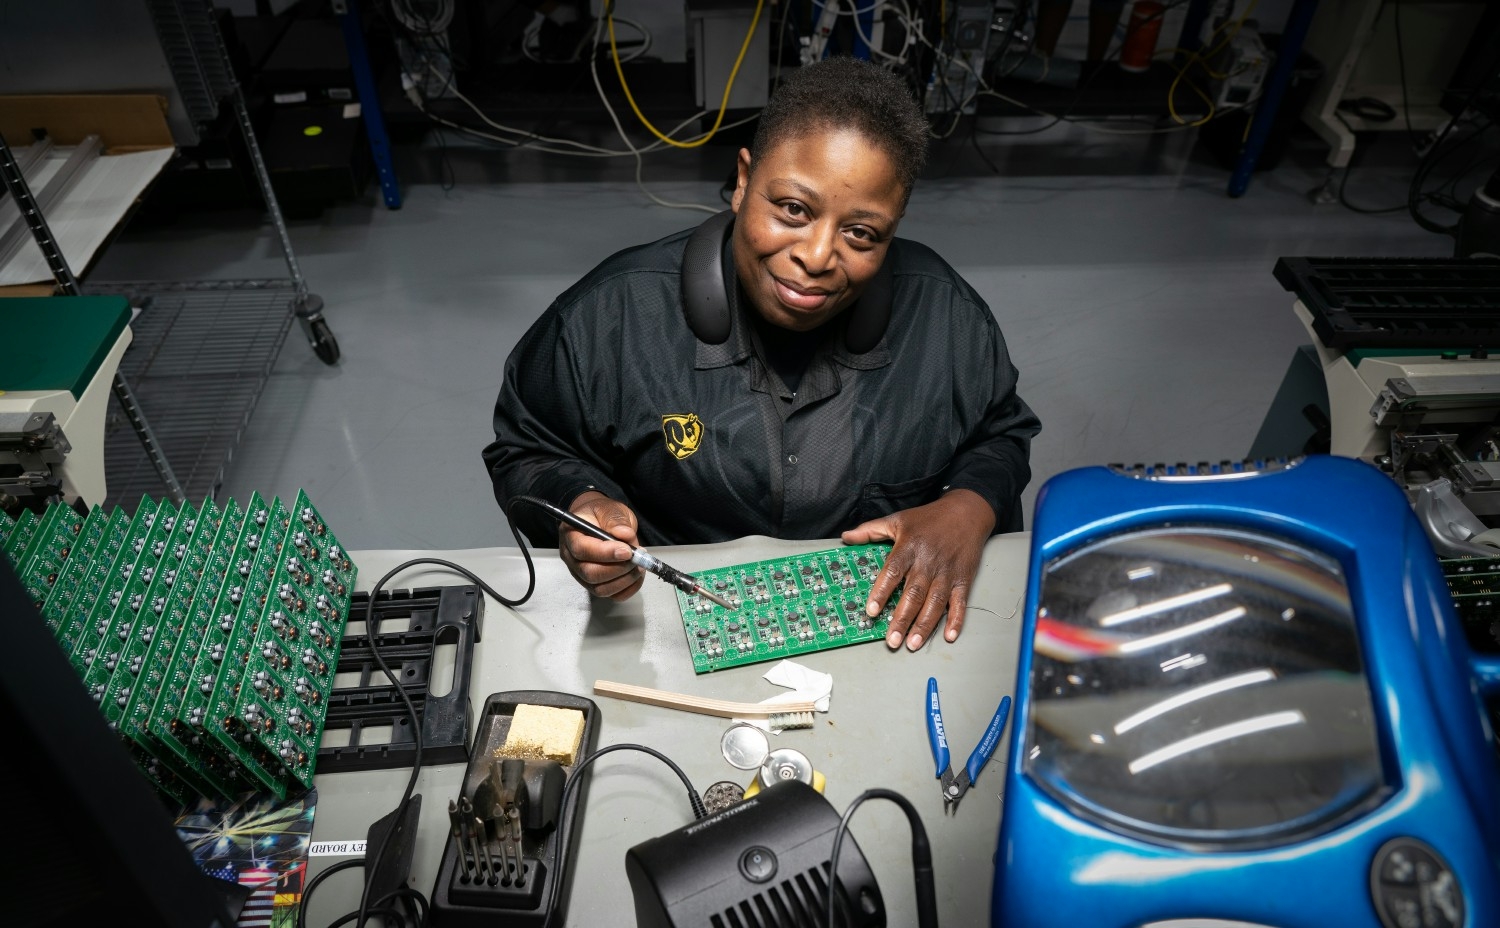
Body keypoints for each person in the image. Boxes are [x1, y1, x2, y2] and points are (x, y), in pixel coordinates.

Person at [483, 57, 1039, 652]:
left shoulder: (946, 318)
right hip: (672, 629)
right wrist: (580, 503)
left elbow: (999, 434)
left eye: (861, 234)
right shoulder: (612, 315)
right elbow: (528, 446)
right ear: (744, 180)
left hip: (875, 631)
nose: (819, 255)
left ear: (892, 230)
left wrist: (968, 506)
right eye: (794, 210)